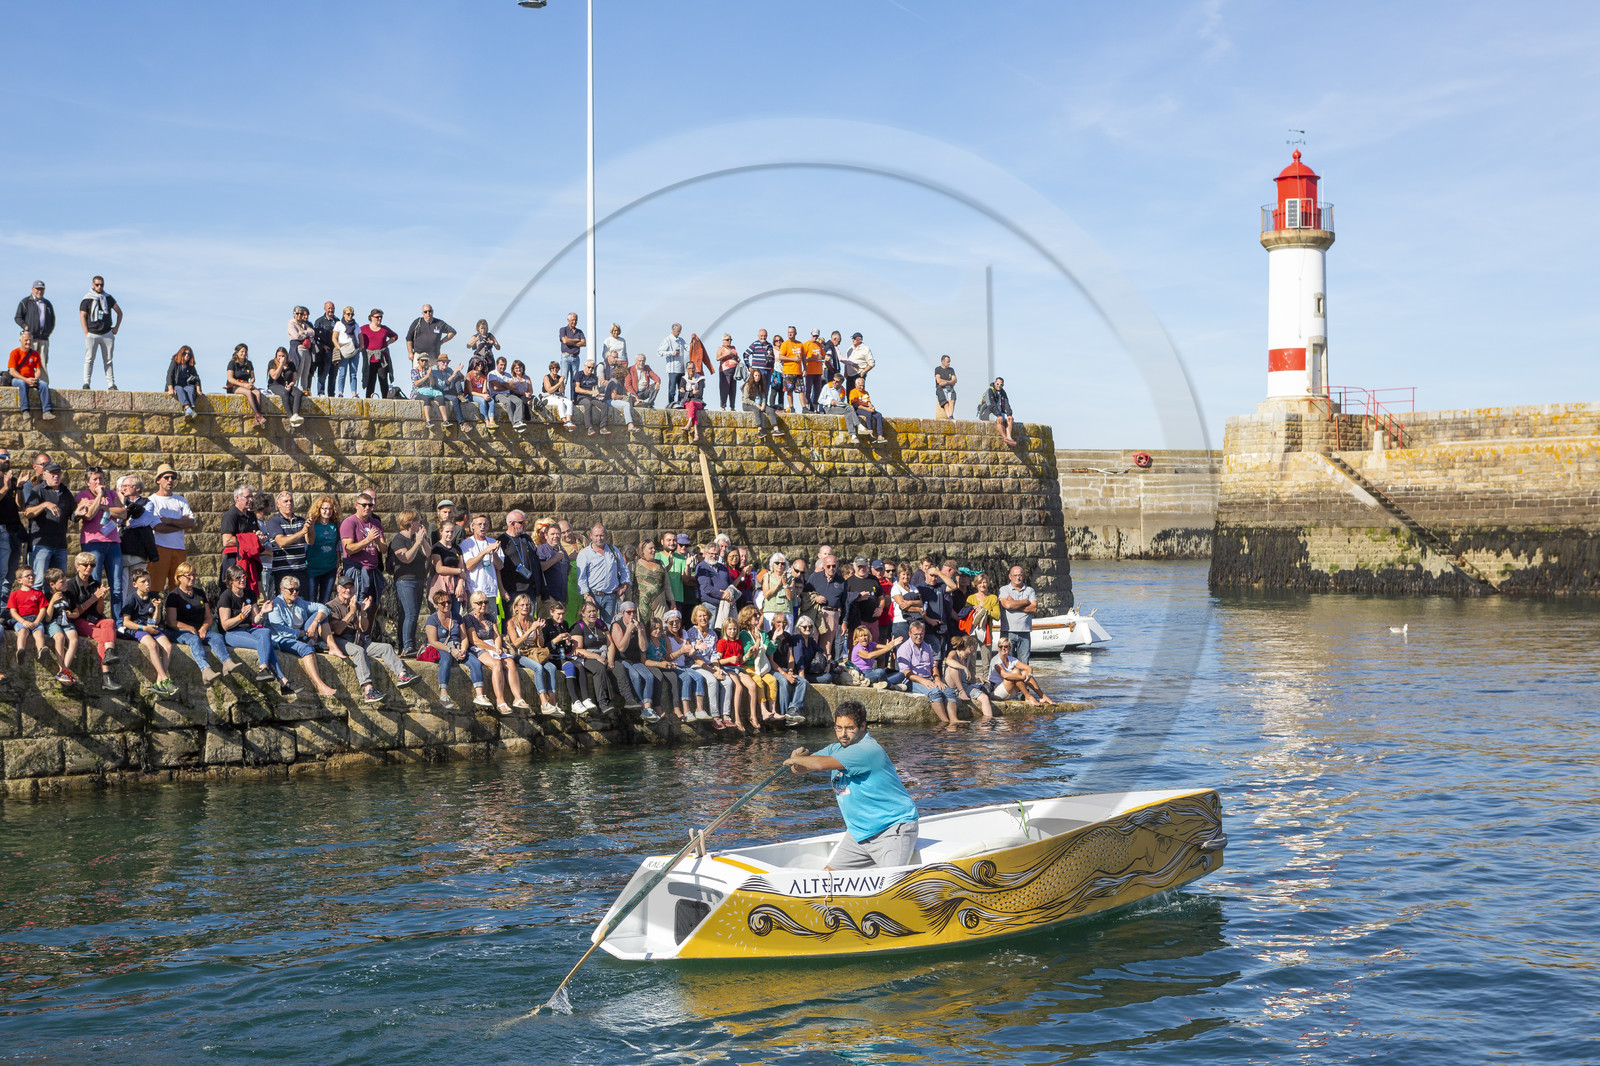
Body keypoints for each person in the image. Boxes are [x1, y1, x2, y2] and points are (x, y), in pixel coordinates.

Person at [783, 701, 920, 869]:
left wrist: (799, 760)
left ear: (863, 726)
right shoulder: (835, 749)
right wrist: (796, 758)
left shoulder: (867, 750)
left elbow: (817, 764)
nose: (843, 734)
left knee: (892, 884)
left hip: (892, 829)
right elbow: (801, 769)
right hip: (859, 833)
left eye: (849, 728)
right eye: (838, 728)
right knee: (827, 880)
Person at [326, 574, 421, 705]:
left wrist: (364, 612)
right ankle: (368, 689)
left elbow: (364, 628)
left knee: (386, 647)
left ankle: (402, 675)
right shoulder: (331, 606)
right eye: (344, 587)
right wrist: (352, 612)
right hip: (341, 641)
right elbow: (337, 630)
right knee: (359, 651)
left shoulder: (356, 604)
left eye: (350, 587)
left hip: (358, 638)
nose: (348, 590)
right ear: (338, 589)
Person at [264, 574, 341, 698]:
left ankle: (332, 647)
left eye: (297, 590)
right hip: (283, 639)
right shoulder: (275, 605)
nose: (295, 592)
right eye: (291, 590)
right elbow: (281, 631)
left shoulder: (299, 601)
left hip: (302, 634)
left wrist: (315, 623)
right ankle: (320, 686)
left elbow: (323, 607)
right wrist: (302, 633)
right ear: (282, 590)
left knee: (320, 615)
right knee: (307, 650)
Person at [214, 565, 289, 688]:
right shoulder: (226, 596)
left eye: (244, 576)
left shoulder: (250, 593)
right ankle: (282, 679)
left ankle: (264, 668)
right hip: (233, 633)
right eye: (238, 577)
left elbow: (255, 620)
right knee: (266, 644)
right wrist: (240, 617)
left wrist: (262, 612)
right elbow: (225, 625)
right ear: (231, 580)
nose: (242, 579)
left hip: (249, 629)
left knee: (265, 632)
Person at [163, 562, 232, 684]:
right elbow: (171, 621)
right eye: (188, 575)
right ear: (179, 577)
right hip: (179, 631)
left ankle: (227, 663)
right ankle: (205, 669)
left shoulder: (199, 593)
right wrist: (190, 628)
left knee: (217, 637)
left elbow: (208, 617)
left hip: (199, 629)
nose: (192, 578)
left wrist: (204, 628)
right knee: (194, 640)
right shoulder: (174, 596)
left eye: (194, 575)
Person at [63, 552, 121, 690]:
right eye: (85, 565)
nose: (89, 567)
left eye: (92, 565)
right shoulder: (71, 586)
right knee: (102, 637)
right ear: (77, 567)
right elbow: (76, 613)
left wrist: (100, 598)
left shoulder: (95, 583)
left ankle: (109, 653)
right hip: (80, 620)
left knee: (110, 623)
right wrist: (94, 598)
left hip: (95, 618)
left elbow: (100, 611)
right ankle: (106, 676)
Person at [119, 568, 178, 698]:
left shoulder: (154, 597)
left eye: (149, 581)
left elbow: (156, 620)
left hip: (151, 627)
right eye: (143, 581)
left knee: (168, 646)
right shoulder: (131, 599)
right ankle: (164, 677)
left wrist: (157, 608)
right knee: (152, 645)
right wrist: (144, 628)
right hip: (137, 629)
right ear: (135, 584)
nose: (147, 584)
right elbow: (126, 622)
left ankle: (158, 683)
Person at [73, 466, 125, 612]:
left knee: (117, 585)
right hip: (93, 544)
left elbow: (122, 513)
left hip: (113, 543)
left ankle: (118, 622)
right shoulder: (82, 496)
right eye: (94, 479)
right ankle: (93, 615)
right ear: (87, 482)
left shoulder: (112, 494)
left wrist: (102, 506)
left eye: (101, 478)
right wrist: (99, 495)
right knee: (93, 583)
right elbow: (88, 515)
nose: (98, 481)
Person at [424, 589, 484, 712]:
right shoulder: (432, 619)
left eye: (449, 602)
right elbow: (433, 641)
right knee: (445, 661)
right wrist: (450, 650)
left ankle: (479, 695)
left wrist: (463, 650)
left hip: (458, 647)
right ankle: (444, 694)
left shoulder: (457, 617)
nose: (447, 605)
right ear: (435, 605)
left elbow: (464, 637)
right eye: (443, 603)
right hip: (441, 647)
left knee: (476, 662)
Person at [505, 594, 563, 716]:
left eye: (527, 605)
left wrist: (540, 631)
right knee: (538, 668)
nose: (525, 607)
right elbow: (516, 643)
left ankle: (553, 703)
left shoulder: (533, 620)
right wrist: (531, 630)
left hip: (534, 652)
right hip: (520, 654)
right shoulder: (511, 622)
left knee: (551, 668)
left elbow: (540, 644)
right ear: (516, 607)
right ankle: (543, 702)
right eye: (522, 605)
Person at [340, 492, 387, 637]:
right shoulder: (350, 522)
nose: (367, 508)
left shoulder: (376, 523)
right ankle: (354, 635)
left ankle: (367, 635)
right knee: (357, 602)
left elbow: (384, 549)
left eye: (370, 505)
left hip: (373, 570)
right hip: (357, 568)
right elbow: (348, 548)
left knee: (372, 604)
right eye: (364, 505)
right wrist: (367, 540)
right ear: (356, 506)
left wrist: (378, 541)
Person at [897, 619, 958, 724]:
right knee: (934, 692)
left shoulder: (926, 646)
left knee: (950, 692)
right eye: (916, 634)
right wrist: (922, 681)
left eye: (921, 634)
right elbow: (905, 672)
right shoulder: (904, 648)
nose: (919, 637)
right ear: (910, 634)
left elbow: (933, 666)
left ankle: (954, 720)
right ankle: (945, 722)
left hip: (929, 678)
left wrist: (938, 679)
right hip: (911, 680)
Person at [609, 602, 662, 722]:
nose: (632, 615)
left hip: (635, 659)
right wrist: (628, 630)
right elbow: (621, 648)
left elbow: (644, 648)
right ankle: (640, 707)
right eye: (629, 612)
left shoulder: (640, 625)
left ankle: (647, 708)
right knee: (636, 677)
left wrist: (640, 631)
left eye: (634, 612)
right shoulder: (617, 626)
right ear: (622, 614)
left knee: (649, 676)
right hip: (622, 659)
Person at [147, 464, 195, 592]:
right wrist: (180, 523)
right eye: (166, 477)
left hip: (179, 549)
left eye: (173, 478)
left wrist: (169, 520)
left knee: (180, 588)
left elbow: (191, 523)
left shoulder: (181, 500)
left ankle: (175, 612)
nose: (170, 480)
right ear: (158, 480)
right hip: (160, 548)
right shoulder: (152, 501)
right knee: (155, 587)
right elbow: (158, 527)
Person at [388, 509, 430, 657]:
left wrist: (422, 539)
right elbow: (406, 558)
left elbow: (428, 554)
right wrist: (417, 542)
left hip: (418, 580)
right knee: (410, 613)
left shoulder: (418, 538)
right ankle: (407, 646)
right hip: (405, 581)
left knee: (411, 614)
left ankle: (405, 646)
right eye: (418, 521)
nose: (420, 523)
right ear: (411, 523)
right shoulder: (398, 540)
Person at [22, 460, 72, 585]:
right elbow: (28, 513)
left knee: (59, 583)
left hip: (60, 545)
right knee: (38, 582)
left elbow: (73, 516)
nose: (56, 476)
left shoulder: (66, 492)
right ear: (44, 474)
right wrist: (45, 504)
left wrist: (80, 511)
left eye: (58, 473)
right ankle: (38, 605)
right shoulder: (38, 490)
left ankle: (54, 605)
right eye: (52, 473)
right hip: (42, 545)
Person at [261, 490, 311, 600]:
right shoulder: (274, 521)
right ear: (278, 504)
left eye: (291, 501)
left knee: (302, 603)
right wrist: (302, 532)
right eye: (285, 501)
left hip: (301, 569)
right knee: (285, 602)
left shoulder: (301, 521)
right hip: (283, 570)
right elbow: (281, 542)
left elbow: (310, 541)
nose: (289, 503)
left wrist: (310, 528)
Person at [575, 523, 629, 624]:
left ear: (606, 535)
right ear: (591, 536)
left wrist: (624, 586)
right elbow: (581, 577)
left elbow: (624, 569)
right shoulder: (584, 553)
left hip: (610, 596)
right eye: (596, 536)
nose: (599, 538)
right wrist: (586, 595)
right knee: (590, 624)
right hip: (592, 596)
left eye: (601, 535)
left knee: (608, 626)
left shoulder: (614, 550)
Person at [79, 275, 121, 390]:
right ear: (93, 285)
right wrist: (85, 331)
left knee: (108, 360)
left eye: (101, 284)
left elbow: (119, 312)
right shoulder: (87, 298)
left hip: (106, 333)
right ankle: (86, 383)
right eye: (97, 284)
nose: (99, 287)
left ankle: (111, 384)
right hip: (92, 333)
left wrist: (116, 328)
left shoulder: (108, 298)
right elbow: (82, 315)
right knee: (89, 359)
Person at [218, 484, 261, 591]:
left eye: (252, 497)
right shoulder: (230, 516)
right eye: (247, 497)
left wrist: (259, 537)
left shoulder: (251, 515)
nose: (251, 500)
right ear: (237, 498)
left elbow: (255, 536)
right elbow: (227, 541)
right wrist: (251, 539)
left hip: (251, 562)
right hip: (235, 562)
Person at [42, 567, 81, 684]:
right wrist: (52, 602)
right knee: (60, 637)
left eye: (65, 580)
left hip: (67, 622)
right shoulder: (47, 596)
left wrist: (71, 615)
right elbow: (47, 618)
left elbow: (77, 613)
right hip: (53, 622)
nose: (65, 583)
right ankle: (62, 669)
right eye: (62, 582)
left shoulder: (69, 595)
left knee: (74, 640)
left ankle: (64, 670)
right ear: (52, 584)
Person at [989, 637, 1054, 705]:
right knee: (1016, 672)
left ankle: (1042, 696)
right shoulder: (996, 660)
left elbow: (1029, 668)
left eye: (1005, 646)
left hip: (1008, 691)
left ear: (1010, 648)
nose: (1003, 648)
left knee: (1024, 673)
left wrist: (1028, 675)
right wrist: (1023, 677)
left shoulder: (1011, 659)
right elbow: (1005, 675)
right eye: (1000, 646)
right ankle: (1028, 696)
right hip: (996, 692)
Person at [943, 633, 994, 719]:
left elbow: (965, 675)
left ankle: (987, 724)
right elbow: (948, 661)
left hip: (964, 685)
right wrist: (964, 667)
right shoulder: (954, 653)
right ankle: (961, 692)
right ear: (970, 647)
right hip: (951, 686)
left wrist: (977, 676)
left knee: (984, 698)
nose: (975, 649)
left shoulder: (967, 657)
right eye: (974, 646)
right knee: (954, 667)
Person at [9, 330, 54, 421]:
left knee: (44, 385)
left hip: (31, 378)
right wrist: (26, 380)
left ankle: (47, 411)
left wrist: (35, 379)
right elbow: (12, 371)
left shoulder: (35, 354)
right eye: (26, 340)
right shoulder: (15, 352)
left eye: (30, 340)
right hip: (18, 379)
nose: (28, 342)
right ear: (20, 340)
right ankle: (25, 410)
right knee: (22, 384)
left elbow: (38, 370)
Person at [13, 281, 54, 381]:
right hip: (30, 338)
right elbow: (18, 317)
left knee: (43, 362)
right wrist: (25, 327)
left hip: (43, 338)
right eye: (37, 288)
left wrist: (48, 331)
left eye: (41, 289)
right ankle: (29, 381)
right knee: (29, 362)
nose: (39, 291)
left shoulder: (47, 304)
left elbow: (52, 319)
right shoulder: (25, 302)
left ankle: (43, 384)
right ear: (33, 289)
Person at [305, 495, 342, 605]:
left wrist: (338, 561)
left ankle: (323, 622)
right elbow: (308, 541)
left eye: (330, 508)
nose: (327, 511)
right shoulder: (313, 524)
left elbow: (338, 545)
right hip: (313, 567)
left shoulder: (336, 525)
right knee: (311, 601)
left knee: (325, 601)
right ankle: (312, 622)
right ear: (319, 509)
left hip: (329, 568)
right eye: (324, 509)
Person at [999, 565, 1038, 663]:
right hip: (1008, 631)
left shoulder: (1030, 590)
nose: (1018, 577)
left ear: (1024, 576)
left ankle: (1022, 678)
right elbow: (1007, 605)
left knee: (1024, 663)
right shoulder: (1004, 590)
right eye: (1015, 575)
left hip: (1025, 632)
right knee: (1007, 662)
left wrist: (1014, 603)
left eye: (1020, 575)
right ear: (1010, 576)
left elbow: (1033, 608)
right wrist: (1025, 602)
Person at [224, 343, 267, 427]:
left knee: (257, 393)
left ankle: (257, 419)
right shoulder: (232, 363)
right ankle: (258, 416)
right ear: (237, 352)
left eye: (245, 352)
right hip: (234, 385)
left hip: (246, 384)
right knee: (248, 393)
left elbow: (253, 377)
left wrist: (251, 383)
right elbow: (230, 379)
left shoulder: (249, 364)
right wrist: (243, 385)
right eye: (242, 351)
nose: (244, 354)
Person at [359, 310, 398, 399]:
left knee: (383, 380)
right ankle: (368, 402)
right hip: (370, 360)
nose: (379, 319)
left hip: (382, 360)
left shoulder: (384, 329)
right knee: (370, 382)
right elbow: (357, 336)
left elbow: (395, 336)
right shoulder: (364, 329)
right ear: (371, 317)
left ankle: (386, 401)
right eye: (377, 317)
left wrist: (387, 343)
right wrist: (361, 346)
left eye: (381, 317)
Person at [267, 346, 306, 428]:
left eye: (283, 356)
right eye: (279, 356)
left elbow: (294, 379)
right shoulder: (272, 363)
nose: (281, 358)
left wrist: (290, 385)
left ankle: (295, 414)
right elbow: (274, 376)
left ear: (286, 356)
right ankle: (290, 416)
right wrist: (281, 364)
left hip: (287, 384)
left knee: (298, 393)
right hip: (275, 385)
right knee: (285, 393)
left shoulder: (291, 364)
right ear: (276, 356)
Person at [331, 306, 362, 397]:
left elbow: (360, 337)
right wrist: (339, 348)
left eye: (352, 314)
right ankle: (340, 392)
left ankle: (354, 392)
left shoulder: (356, 325)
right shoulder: (339, 324)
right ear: (344, 314)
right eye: (348, 314)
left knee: (353, 373)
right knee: (342, 372)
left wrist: (360, 347)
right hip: (343, 350)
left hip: (354, 350)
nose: (350, 316)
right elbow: (334, 338)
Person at [311, 301, 340, 396]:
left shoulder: (337, 321)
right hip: (324, 352)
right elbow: (314, 337)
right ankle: (321, 392)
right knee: (323, 373)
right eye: (329, 308)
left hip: (335, 351)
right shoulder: (319, 321)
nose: (331, 310)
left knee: (333, 374)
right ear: (325, 309)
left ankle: (331, 394)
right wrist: (323, 346)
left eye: (332, 308)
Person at [743, 368, 780, 440]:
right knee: (757, 410)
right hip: (748, 405)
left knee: (770, 410)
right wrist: (756, 405)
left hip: (759, 404)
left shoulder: (760, 385)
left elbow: (763, 397)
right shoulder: (747, 385)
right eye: (756, 375)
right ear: (752, 376)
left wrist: (763, 404)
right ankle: (760, 430)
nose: (757, 377)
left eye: (759, 376)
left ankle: (776, 429)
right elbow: (746, 399)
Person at [775, 326, 805, 413]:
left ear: (795, 333)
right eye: (788, 332)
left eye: (791, 332)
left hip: (798, 371)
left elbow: (803, 356)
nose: (790, 334)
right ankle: (791, 407)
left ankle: (804, 407)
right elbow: (780, 356)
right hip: (788, 371)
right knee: (789, 390)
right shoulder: (785, 344)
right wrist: (793, 359)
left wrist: (805, 369)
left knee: (801, 390)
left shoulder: (800, 344)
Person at [558, 312, 586, 404]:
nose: (574, 322)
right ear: (568, 320)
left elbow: (584, 343)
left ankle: (574, 400)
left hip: (576, 358)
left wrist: (571, 341)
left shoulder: (579, 331)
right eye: (572, 320)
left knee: (574, 380)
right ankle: (561, 398)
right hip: (566, 357)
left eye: (576, 320)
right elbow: (564, 340)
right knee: (564, 378)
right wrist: (577, 341)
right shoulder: (563, 330)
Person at [287, 305, 317, 392]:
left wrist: (303, 332)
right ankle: (295, 389)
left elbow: (313, 332)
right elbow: (296, 336)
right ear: (294, 314)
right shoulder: (291, 323)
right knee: (298, 370)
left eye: (301, 314)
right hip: (298, 348)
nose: (299, 315)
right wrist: (306, 335)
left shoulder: (304, 324)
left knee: (306, 371)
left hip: (307, 349)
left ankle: (305, 390)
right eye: (297, 313)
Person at [497, 358, 532, 430]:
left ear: (523, 368)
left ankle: (537, 404)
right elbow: (512, 389)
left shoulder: (527, 378)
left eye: (520, 368)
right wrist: (524, 393)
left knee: (531, 398)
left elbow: (531, 390)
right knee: (522, 400)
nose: (518, 369)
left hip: (526, 395)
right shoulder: (512, 377)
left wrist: (528, 393)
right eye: (516, 368)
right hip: (518, 394)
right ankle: (518, 421)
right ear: (513, 369)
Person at [657, 323, 688, 405]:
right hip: (672, 369)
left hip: (681, 369)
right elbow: (660, 352)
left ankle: (679, 404)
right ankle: (671, 404)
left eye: (680, 331)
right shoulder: (667, 340)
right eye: (678, 331)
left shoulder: (681, 340)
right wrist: (672, 353)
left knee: (681, 388)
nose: (679, 333)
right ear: (673, 330)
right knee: (672, 389)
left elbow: (688, 347)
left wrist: (695, 343)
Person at [982, 376, 1017, 446]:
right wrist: (998, 415)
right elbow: (992, 405)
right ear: (995, 383)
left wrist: (1009, 414)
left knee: (1010, 419)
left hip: (1000, 412)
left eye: (1001, 384)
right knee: (999, 420)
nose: (999, 386)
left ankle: (1009, 437)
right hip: (989, 412)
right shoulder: (990, 391)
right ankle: (1005, 437)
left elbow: (1007, 404)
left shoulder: (1003, 393)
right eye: (997, 384)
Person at [716, 333, 740, 411]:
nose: (729, 341)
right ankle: (723, 406)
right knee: (724, 388)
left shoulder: (733, 348)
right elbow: (718, 358)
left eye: (730, 339)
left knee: (733, 389)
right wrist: (727, 354)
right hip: (725, 370)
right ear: (723, 340)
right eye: (727, 340)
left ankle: (732, 406)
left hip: (734, 370)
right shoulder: (721, 348)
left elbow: (736, 356)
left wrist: (738, 359)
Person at [934, 355, 958, 419]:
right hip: (941, 389)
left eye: (949, 362)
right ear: (942, 361)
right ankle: (949, 417)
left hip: (950, 388)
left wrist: (946, 382)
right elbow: (939, 380)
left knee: (952, 401)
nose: (949, 363)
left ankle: (950, 416)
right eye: (947, 362)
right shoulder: (938, 369)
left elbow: (955, 380)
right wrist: (950, 381)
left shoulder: (951, 370)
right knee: (945, 403)